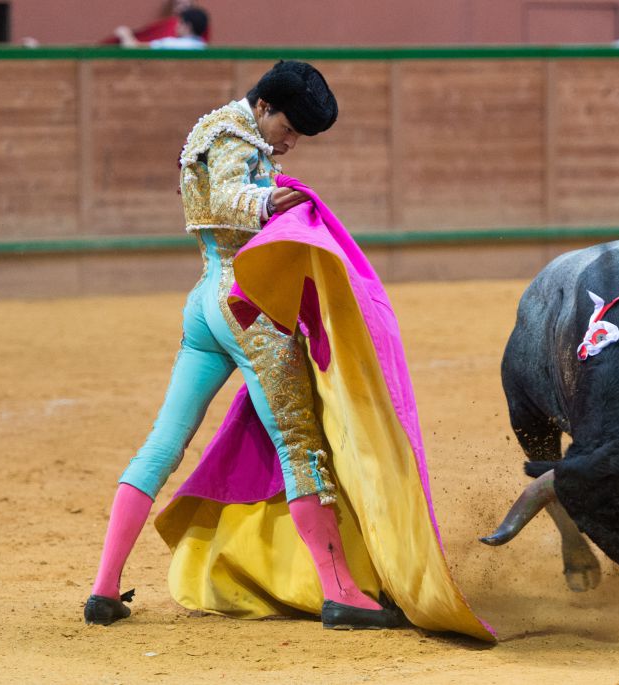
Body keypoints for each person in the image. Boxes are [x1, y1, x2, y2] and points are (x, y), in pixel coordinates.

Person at [84, 61, 493, 641]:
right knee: (300, 443)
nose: (290, 141)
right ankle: (340, 592)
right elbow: (229, 196)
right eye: (289, 127)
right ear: (264, 107)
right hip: (247, 305)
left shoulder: (212, 128)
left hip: (204, 299)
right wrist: (272, 203)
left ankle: (105, 588)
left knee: (162, 442)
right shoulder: (234, 134)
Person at [115, 7, 208, 49]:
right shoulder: (203, 48)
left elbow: (132, 48)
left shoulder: (172, 45)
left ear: (187, 26)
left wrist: (125, 34)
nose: (177, 26)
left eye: (180, 23)